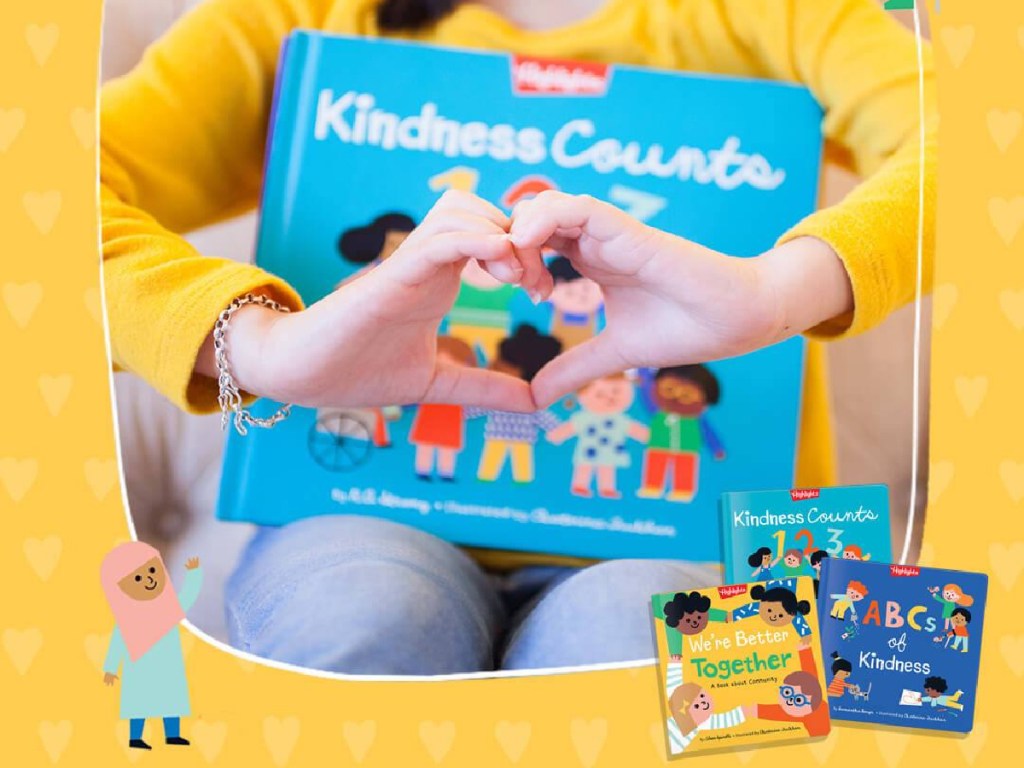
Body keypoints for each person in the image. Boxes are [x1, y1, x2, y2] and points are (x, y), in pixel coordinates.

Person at [101, 0, 935, 673]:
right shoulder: (293, 18)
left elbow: (985, 141)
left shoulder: (784, 15)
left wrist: (780, 291)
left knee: (630, 639)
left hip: (701, 546)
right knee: (360, 614)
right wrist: (257, 346)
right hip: (356, 523)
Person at [100, 543, 203, 750]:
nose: (148, 579)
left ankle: (172, 735)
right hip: (140, 668)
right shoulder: (128, 617)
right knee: (139, 704)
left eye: (152, 570)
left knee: (171, 701)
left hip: (167, 666)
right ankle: (135, 737)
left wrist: (193, 576)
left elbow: (186, 599)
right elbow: (118, 641)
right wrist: (110, 667)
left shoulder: (167, 608)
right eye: (137, 578)